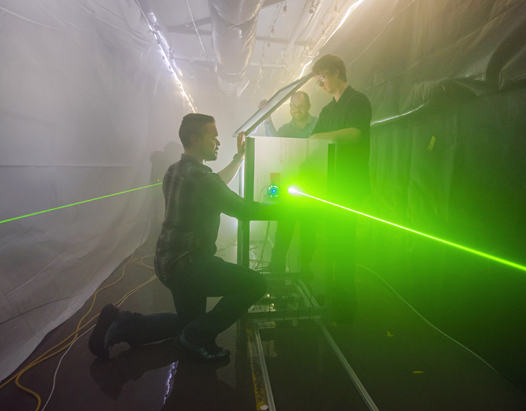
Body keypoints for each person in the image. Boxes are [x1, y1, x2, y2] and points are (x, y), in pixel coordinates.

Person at [89, 114, 279, 361]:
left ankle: (123, 324)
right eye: (214, 136)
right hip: (189, 265)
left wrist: (238, 158)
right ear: (195, 139)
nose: (218, 142)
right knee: (256, 284)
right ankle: (195, 337)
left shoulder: (176, 170)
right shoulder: (202, 178)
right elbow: (244, 210)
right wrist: (290, 210)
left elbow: (216, 183)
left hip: (167, 262)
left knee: (188, 323)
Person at [308, 54, 372, 323]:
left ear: (335, 71)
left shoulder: (358, 101)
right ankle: (334, 299)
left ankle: (346, 306)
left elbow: (355, 133)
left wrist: (318, 137)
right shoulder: (327, 111)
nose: (319, 82)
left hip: (349, 186)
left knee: (344, 246)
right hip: (329, 186)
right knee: (332, 245)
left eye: (321, 76)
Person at [258, 91, 318, 273]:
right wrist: (267, 119)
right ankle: (277, 265)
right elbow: (274, 143)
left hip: (314, 186)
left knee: (309, 227)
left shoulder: (320, 124)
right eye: (293, 106)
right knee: (284, 225)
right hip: (291, 186)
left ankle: (305, 267)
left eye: (300, 106)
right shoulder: (286, 129)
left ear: (308, 106)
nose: (296, 110)